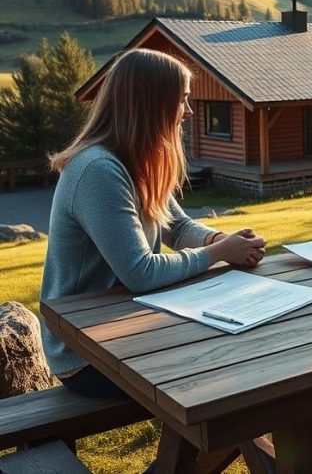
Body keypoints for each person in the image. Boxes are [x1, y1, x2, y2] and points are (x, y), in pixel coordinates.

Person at [41, 49, 267, 398]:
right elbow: (140, 272)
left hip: (126, 321)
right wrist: (220, 252)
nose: (189, 112)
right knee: (226, 364)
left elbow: (176, 227)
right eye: (183, 101)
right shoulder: (98, 170)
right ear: (152, 104)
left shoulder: (136, 160)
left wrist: (221, 240)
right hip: (84, 350)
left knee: (243, 346)